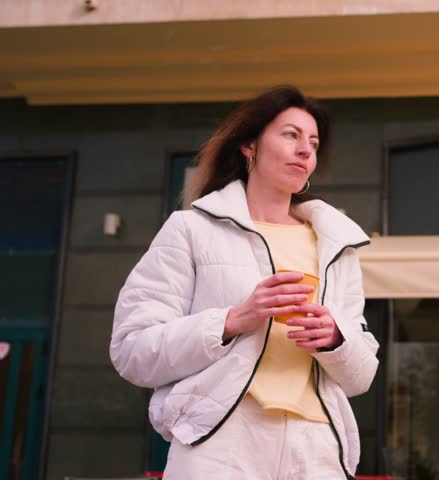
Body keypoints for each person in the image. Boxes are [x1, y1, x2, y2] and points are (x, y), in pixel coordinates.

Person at [110, 85, 378, 479]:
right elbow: (131, 350)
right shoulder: (190, 229)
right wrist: (232, 320)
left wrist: (335, 338)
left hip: (317, 447)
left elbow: (362, 376)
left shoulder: (337, 245)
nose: (306, 150)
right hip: (222, 442)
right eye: (291, 135)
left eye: (314, 142)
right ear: (249, 145)